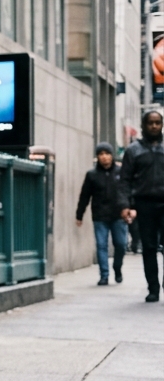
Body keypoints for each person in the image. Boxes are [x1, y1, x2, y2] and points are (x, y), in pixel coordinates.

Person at [121, 110, 164, 302]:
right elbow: (125, 181)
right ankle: (153, 288)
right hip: (144, 204)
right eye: (150, 123)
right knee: (148, 247)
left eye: (158, 123)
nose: (154, 126)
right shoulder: (133, 151)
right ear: (144, 126)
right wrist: (126, 205)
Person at [76, 142, 131, 286]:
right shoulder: (92, 175)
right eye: (101, 154)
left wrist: (130, 207)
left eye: (107, 154)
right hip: (100, 216)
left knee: (121, 244)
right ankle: (104, 275)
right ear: (97, 157)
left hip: (119, 215)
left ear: (112, 156)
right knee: (101, 245)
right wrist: (79, 214)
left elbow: (128, 191)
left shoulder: (121, 172)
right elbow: (85, 195)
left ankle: (117, 268)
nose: (104, 157)